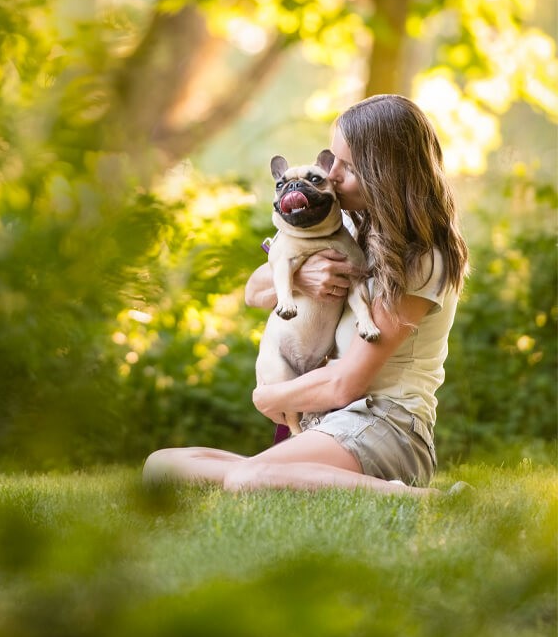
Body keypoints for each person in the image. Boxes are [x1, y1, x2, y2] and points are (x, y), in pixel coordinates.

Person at [142, 94, 469, 495]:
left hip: (388, 425)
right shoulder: (350, 227)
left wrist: (268, 396)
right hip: (334, 422)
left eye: (346, 168)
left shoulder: (420, 258)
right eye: (333, 162)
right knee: (162, 466)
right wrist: (303, 276)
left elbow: (347, 383)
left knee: (247, 480)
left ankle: (422, 499)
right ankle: (293, 475)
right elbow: (254, 291)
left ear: (383, 172)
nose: (331, 177)